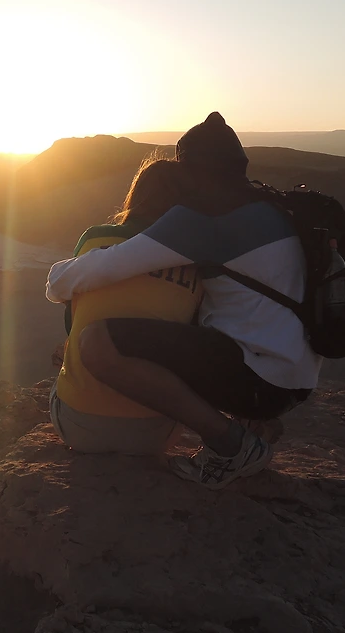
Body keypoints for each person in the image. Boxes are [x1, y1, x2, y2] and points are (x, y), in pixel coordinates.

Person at [45, 112, 319, 489]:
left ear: (189, 171)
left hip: (259, 379)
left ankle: (232, 446)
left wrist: (62, 271)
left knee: (98, 341)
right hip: (293, 379)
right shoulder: (269, 210)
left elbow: (85, 274)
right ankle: (254, 424)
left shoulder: (202, 222)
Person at [51, 157, 202, 455]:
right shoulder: (197, 259)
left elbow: (72, 318)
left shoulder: (96, 238)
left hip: (77, 427)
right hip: (156, 433)